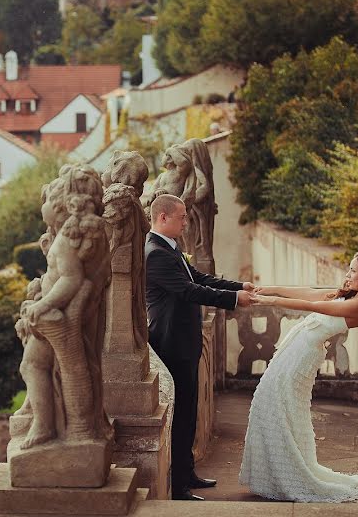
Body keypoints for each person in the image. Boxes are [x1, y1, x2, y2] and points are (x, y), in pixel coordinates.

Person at [239, 249, 358, 502]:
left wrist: (271, 302)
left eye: (353, 270)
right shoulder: (350, 293)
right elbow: (308, 293)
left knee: (276, 406)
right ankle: (276, 472)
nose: (348, 274)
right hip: (293, 351)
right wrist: (270, 289)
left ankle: (290, 473)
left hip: (301, 359)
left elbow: (312, 305)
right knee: (272, 405)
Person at [145, 193, 254, 500]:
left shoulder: (171, 247)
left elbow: (198, 276)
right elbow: (188, 290)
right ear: (162, 218)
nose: (186, 221)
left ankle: (187, 473)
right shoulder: (154, 253)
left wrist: (238, 286)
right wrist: (233, 301)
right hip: (171, 343)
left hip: (185, 342)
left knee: (189, 412)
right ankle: (178, 487)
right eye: (181, 217)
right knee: (180, 415)